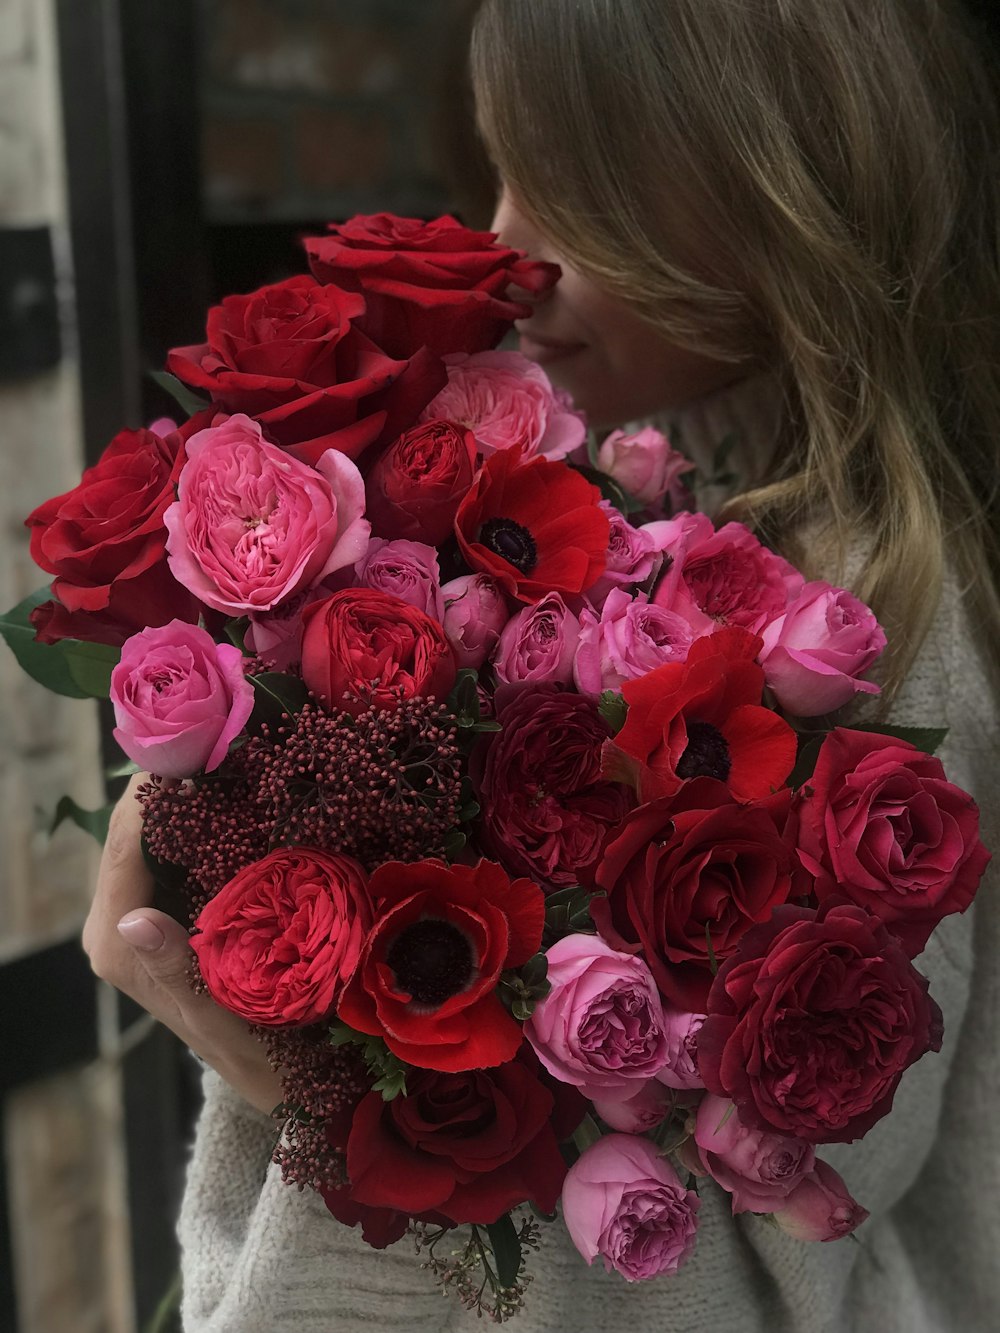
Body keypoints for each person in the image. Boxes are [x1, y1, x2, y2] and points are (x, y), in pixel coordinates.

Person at [83, 1, 1000, 1329]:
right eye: (507, 170)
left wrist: (342, 1113)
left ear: (787, 188)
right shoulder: (643, 509)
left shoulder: (880, 647)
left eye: (579, 188)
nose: (506, 242)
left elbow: (756, 1283)